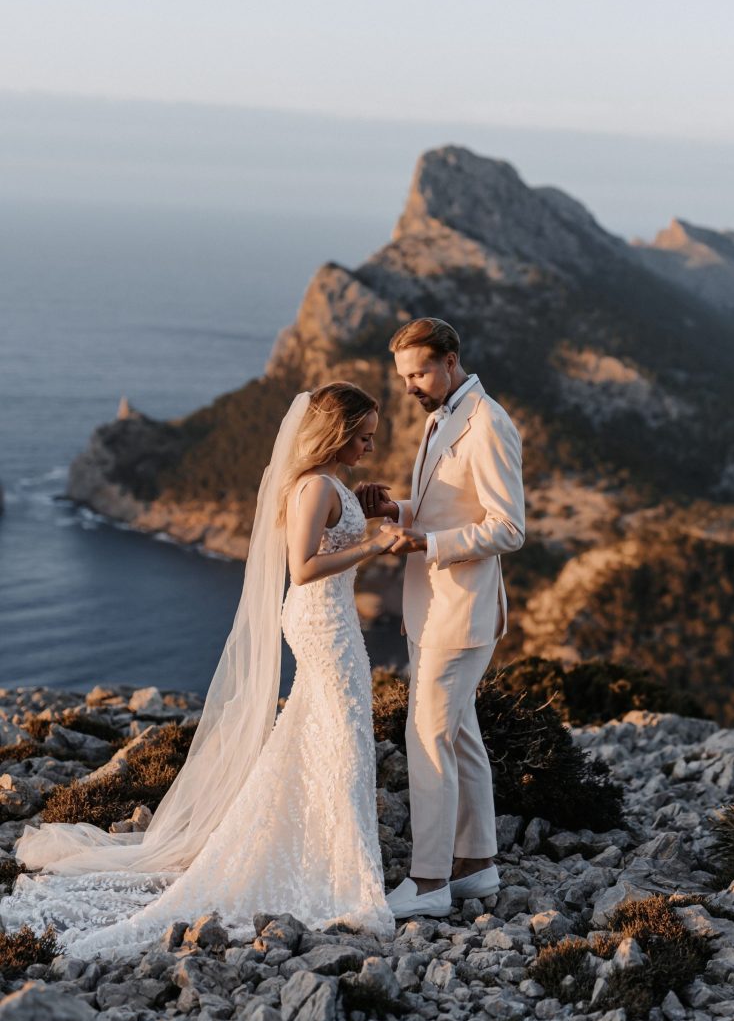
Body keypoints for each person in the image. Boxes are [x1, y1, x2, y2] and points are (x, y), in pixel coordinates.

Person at [0, 383, 396, 956]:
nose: (368, 445)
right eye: (361, 436)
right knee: (340, 732)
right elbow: (304, 566)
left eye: (371, 437)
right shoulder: (312, 485)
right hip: (321, 624)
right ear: (335, 433)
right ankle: (333, 865)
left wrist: (365, 507)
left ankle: (322, 849)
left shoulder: (330, 484)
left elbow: (334, 527)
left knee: (326, 732)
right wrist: (375, 545)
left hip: (337, 625)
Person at [357, 318, 525, 919]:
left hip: (461, 611)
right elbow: (449, 507)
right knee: (459, 738)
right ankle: (476, 867)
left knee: (426, 738)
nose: (410, 386)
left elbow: (509, 527)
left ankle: (428, 883)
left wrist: (426, 545)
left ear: (451, 360)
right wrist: (397, 508)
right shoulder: (440, 416)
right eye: (403, 376)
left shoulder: (488, 423)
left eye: (419, 372)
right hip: (433, 608)